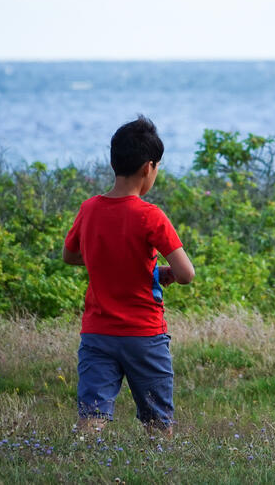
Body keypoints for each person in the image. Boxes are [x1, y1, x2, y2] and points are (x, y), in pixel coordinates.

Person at [62, 115, 195, 436]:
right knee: (158, 421)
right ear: (148, 167)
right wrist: (161, 273)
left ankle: (79, 460)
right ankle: (160, 464)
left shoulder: (89, 208)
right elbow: (186, 273)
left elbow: (71, 256)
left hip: (98, 334)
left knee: (92, 413)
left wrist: (112, 264)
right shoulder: (151, 216)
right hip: (144, 336)